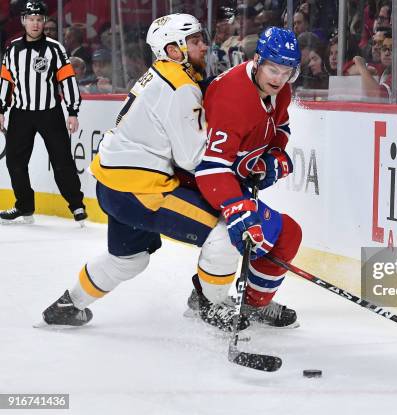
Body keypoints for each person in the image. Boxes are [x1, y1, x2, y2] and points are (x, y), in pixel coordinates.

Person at [39, 13, 216, 327]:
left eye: (202, 38)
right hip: (141, 190)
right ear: (173, 51)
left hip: (112, 186)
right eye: (194, 41)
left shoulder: (162, 73)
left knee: (129, 259)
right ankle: (208, 301)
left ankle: (68, 305)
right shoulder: (181, 86)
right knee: (224, 232)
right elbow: (192, 157)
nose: (204, 45)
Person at [190, 26, 303, 330]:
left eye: (287, 71)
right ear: (257, 60)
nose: (279, 78)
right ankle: (204, 298)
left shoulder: (280, 90)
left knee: (287, 233)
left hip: (233, 183)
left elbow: (281, 129)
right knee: (254, 234)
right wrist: (236, 206)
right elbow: (212, 167)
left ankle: (252, 305)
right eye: (273, 68)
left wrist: (273, 158)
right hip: (204, 185)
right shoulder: (232, 97)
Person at [0, 0, 86, 225]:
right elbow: (6, 81)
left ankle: (77, 206)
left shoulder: (55, 48)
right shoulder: (13, 48)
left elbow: (67, 79)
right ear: (23, 21)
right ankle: (24, 207)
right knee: (15, 162)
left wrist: (72, 110)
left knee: (62, 161)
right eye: (31, 19)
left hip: (50, 112)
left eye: (39, 19)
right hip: (20, 113)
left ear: (44, 21)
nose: (35, 24)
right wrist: (1, 108)